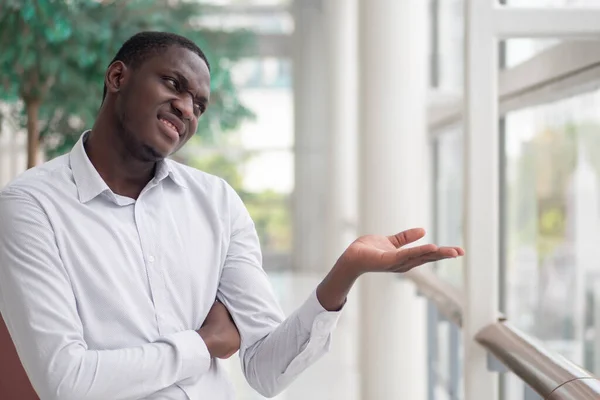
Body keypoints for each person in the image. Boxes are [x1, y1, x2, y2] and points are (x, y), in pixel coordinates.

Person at [0, 31, 463, 400]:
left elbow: (265, 370)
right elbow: (66, 381)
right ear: (118, 76)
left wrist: (344, 274)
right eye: (174, 85)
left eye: (199, 105)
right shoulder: (31, 206)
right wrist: (202, 345)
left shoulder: (216, 203)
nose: (186, 108)